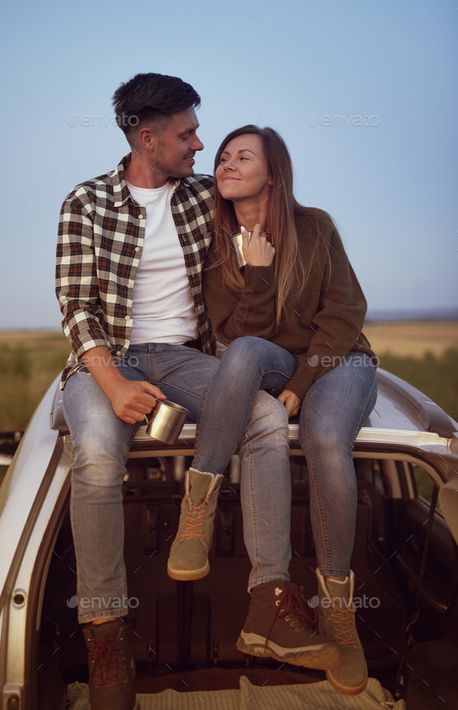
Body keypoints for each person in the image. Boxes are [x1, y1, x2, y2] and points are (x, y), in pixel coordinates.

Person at [56, 76, 338, 710]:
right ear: (147, 138)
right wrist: (112, 381)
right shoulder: (87, 202)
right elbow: (76, 308)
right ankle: (106, 635)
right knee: (97, 458)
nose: (200, 145)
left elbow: (275, 204)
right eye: (187, 135)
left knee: (264, 417)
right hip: (107, 357)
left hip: (188, 358)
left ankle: (268, 606)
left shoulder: (203, 196)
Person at [168, 124, 378, 695]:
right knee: (239, 353)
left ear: (274, 171)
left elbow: (345, 310)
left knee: (328, 442)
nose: (227, 164)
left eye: (243, 156)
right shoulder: (217, 246)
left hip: (338, 363)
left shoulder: (314, 226)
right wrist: (256, 273)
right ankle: (200, 503)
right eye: (223, 157)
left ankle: (339, 613)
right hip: (272, 361)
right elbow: (241, 334)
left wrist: (307, 381)